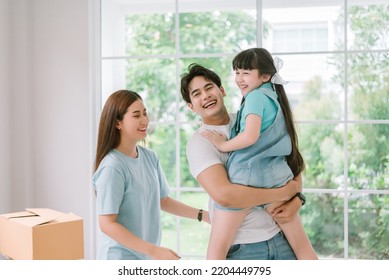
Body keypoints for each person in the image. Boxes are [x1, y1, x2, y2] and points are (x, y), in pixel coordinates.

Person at [200, 48, 318, 260]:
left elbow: (249, 136)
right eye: (236, 72)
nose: (239, 79)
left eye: (246, 72)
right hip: (276, 178)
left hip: (246, 176)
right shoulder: (274, 98)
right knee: (303, 249)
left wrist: (222, 145)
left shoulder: (254, 97)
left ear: (265, 76)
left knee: (216, 251)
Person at [92, 89, 210, 260]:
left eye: (145, 114)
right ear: (118, 123)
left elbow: (163, 200)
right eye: (136, 115)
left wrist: (204, 215)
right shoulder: (113, 167)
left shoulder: (149, 157)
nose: (145, 120)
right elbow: (107, 224)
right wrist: (154, 251)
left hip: (145, 257)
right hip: (119, 258)